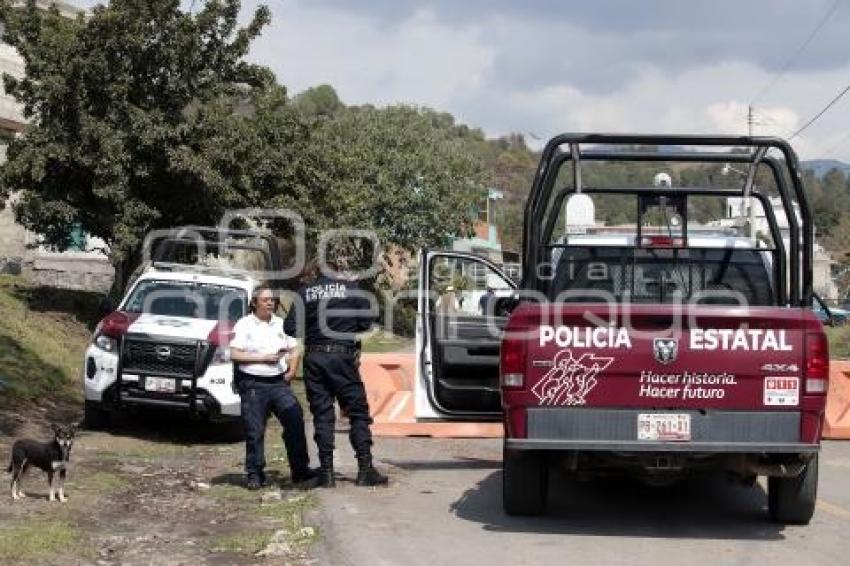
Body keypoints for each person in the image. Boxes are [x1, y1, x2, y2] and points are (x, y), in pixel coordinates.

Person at [284, 258, 388, 488]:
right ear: (338, 271)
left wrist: (312, 326)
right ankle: (365, 469)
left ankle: (327, 473)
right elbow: (368, 322)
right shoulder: (353, 290)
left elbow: (289, 328)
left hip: (315, 357)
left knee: (322, 413)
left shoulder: (304, 293)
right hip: (343, 357)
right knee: (357, 411)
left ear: (317, 273)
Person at [230, 284, 317, 490]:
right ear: (254, 303)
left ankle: (300, 470)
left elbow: (295, 349)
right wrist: (263, 358)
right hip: (253, 383)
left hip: (278, 382)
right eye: (265, 300)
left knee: (295, 420)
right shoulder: (244, 324)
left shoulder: (281, 323)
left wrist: (292, 370)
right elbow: (234, 354)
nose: (270, 303)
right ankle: (255, 473)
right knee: (255, 430)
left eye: (272, 300)